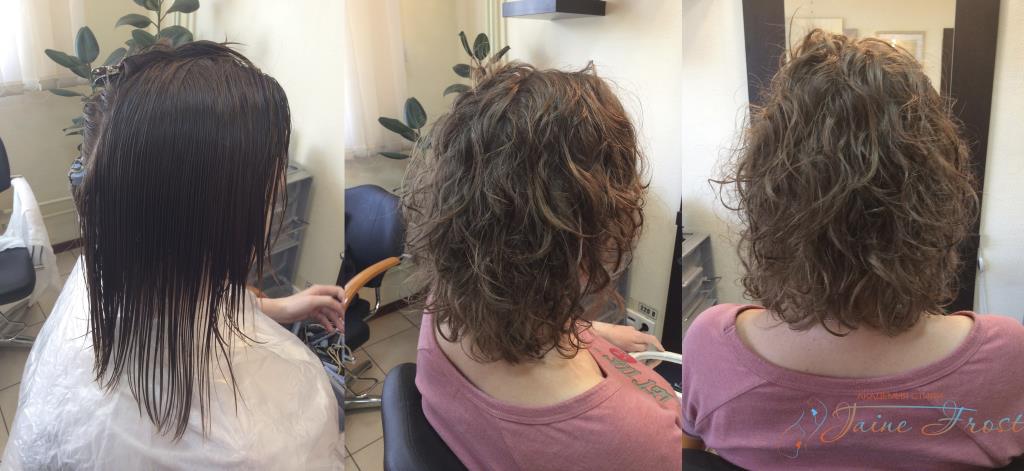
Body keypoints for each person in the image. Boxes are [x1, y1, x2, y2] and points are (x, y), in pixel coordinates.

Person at [682, 30, 1024, 470]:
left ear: (772, 195)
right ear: (935, 196)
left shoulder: (712, 344)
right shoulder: (1005, 356)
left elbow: (688, 455)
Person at [2, 42, 346, 469]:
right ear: (213, 224)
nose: (274, 195)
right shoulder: (254, 446)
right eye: (266, 191)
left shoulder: (104, 265)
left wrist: (279, 307)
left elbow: (187, 301)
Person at [402, 62, 683, 471]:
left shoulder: (446, 302)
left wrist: (596, 332)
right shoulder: (633, 440)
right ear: (588, 228)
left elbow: (517, 314)